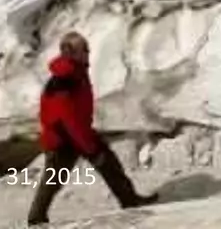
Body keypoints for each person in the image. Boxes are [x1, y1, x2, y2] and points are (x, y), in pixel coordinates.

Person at [26, 32, 157, 225]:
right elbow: (67, 120)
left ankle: (130, 200)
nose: (89, 51)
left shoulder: (76, 71)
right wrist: (89, 147)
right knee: (54, 179)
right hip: (62, 139)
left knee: (109, 164)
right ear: (72, 52)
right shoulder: (64, 80)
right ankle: (35, 219)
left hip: (77, 132)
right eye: (84, 49)